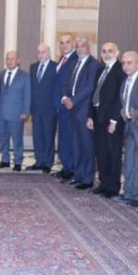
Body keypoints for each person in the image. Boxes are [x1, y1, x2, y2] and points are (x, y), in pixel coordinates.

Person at [60, 37, 100, 189]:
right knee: (75, 145)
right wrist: (65, 98)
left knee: (87, 146)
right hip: (72, 110)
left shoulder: (94, 65)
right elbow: (66, 84)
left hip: (84, 110)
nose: (79, 49)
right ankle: (78, 175)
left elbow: (89, 87)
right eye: (77, 46)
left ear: (88, 48)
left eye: (82, 46)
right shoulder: (73, 64)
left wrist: (73, 100)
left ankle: (88, 179)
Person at [87, 42, 125, 197]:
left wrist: (114, 121)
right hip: (98, 117)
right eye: (104, 51)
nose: (107, 54)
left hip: (112, 120)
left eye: (110, 51)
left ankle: (113, 187)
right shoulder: (100, 70)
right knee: (101, 152)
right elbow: (94, 94)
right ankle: (104, 183)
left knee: (113, 153)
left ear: (117, 53)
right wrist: (90, 116)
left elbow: (120, 98)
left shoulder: (120, 70)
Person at [113, 51, 138, 208]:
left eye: (130, 62)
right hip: (129, 127)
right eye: (124, 63)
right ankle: (128, 192)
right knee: (128, 163)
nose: (126, 66)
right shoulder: (125, 80)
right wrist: (124, 112)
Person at [0, 51, 31, 172]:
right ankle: (5, 160)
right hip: (1, 112)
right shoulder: (0, 74)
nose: (10, 61)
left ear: (18, 61)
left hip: (17, 113)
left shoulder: (25, 76)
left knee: (17, 139)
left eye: (12, 59)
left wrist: (25, 111)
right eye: (8, 59)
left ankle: (18, 162)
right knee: (3, 138)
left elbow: (27, 95)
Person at [53, 34, 79, 181]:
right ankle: (66, 166)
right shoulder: (62, 59)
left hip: (69, 107)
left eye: (67, 42)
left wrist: (67, 99)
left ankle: (72, 169)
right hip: (60, 106)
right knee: (63, 139)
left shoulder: (76, 59)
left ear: (73, 43)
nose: (64, 45)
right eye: (62, 43)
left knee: (69, 139)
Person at [28, 43, 57, 173]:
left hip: (50, 109)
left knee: (48, 136)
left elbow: (58, 88)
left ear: (49, 53)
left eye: (43, 52)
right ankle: (39, 161)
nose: (40, 55)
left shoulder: (55, 67)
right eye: (38, 52)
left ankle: (48, 163)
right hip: (35, 109)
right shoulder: (33, 67)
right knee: (37, 136)